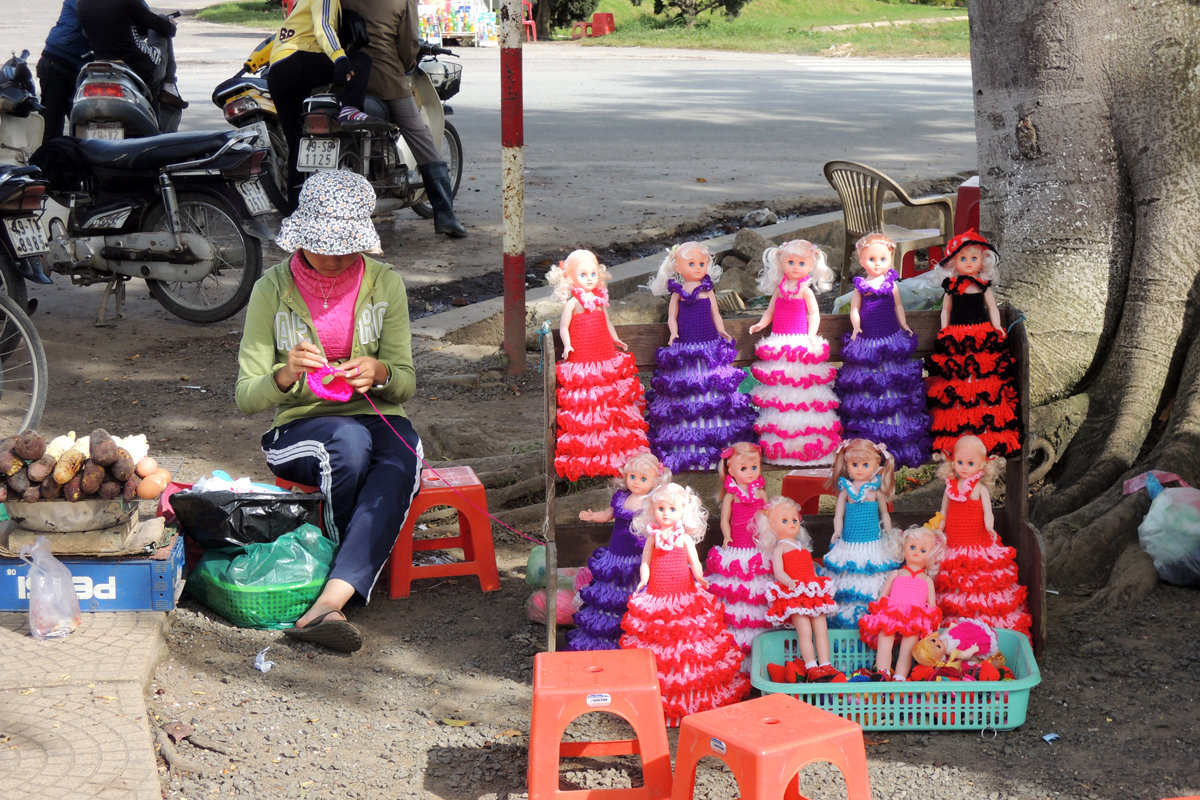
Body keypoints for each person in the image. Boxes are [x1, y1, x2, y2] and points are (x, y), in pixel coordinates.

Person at [235, 169, 422, 653]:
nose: (336, 258)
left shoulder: (385, 284)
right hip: (298, 427)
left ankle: (328, 601)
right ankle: (335, 575)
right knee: (348, 443)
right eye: (325, 246)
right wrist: (284, 374)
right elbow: (246, 395)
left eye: (346, 247)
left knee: (402, 458)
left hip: (379, 415)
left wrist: (380, 372)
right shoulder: (270, 290)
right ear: (302, 238)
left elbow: (406, 380)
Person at [618, 482, 749, 726]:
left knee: (688, 642)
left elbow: (695, 562)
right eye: (660, 508)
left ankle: (692, 697)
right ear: (652, 510)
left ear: (683, 512)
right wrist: (643, 581)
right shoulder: (653, 537)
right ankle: (661, 702)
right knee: (661, 640)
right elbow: (645, 562)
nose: (665, 513)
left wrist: (700, 576)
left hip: (684, 595)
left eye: (672, 509)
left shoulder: (685, 538)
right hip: (657, 595)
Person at [339, 0, 466, 238]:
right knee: (420, 136)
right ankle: (445, 215)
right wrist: (409, 63)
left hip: (344, 77)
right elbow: (408, 45)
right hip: (385, 77)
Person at [644, 241, 755, 472]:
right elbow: (671, 316)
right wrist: (673, 332)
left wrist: (721, 330)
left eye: (701, 263)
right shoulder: (678, 291)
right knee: (688, 390)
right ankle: (688, 448)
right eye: (691, 263)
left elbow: (715, 312)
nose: (697, 267)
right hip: (685, 347)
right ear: (677, 266)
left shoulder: (707, 289)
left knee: (712, 388)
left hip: (709, 346)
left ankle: (717, 444)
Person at [261, 0, 378, 212]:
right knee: (361, 60)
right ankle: (350, 109)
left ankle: (295, 213)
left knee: (297, 146)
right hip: (297, 62)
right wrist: (339, 58)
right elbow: (323, 26)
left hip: (277, 74)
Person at [547, 249, 649, 480]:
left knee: (610, 401)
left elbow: (608, 323)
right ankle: (591, 451)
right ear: (570, 278)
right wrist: (567, 345)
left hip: (605, 358)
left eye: (593, 273)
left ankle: (613, 450)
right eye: (583, 274)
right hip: (583, 360)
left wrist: (615, 338)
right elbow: (564, 327)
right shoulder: (573, 304)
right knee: (589, 403)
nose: (590, 278)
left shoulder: (601, 301)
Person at [833, 232, 932, 467]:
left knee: (892, 382)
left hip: (890, 339)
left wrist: (904, 324)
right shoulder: (861, 285)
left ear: (890, 259)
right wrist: (856, 327)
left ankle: (893, 433)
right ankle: (869, 440)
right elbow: (855, 309)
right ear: (861, 260)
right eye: (871, 259)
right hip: (867, 341)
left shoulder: (891, 284)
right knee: (869, 383)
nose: (877, 264)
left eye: (882, 259)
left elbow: (898, 306)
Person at [925, 229, 1021, 457]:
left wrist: (996, 327)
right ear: (953, 262)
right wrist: (944, 330)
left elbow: (992, 308)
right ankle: (961, 428)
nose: (968, 263)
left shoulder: (982, 286)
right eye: (963, 259)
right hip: (957, 336)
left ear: (983, 262)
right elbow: (945, 310)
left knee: (982, 380)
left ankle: (983, 427)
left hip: (981, 334)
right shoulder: (952, 287)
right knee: (960, 382)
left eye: (973, 258)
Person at [748, 239, 841, 465]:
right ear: (782, 263)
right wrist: (761, 324)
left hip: (799, 341)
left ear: (811, 265)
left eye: (801, 262)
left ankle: (806, 444)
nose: (796, 267)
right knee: (781, 391)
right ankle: (783, 446)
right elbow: (769, 312)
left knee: (801, 389)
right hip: (779, 341)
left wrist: (811, 335)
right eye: (791, 262)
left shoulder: (805, 290)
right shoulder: (780, 290)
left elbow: (815, 315)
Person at [566, 450, 670, 651]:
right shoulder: (621, 497)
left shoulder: (654, 501)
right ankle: (611, 634)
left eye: (643, 478)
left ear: (656, 480)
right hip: (616, 556)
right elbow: (607, 515)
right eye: (632, 477)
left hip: (640, 557)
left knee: (637, 590)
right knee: (612, 594)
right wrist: (592, 515)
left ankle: (638, 633)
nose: (636, 482)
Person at [934, 434, 1031, 639]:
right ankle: (954, 628)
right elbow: (943, 512)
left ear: (982, 466)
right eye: (960, 462)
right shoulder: (950, 488)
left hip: (978, 543)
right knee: (953, 585)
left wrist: (989, 527)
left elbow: (988, 512)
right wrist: (938, 527)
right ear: (952, 462)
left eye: (970, 463)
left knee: (978, 583)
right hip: (953, 544)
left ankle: (981, 623)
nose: (964, 467)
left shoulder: (979, 489)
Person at [759, 496, 844, 683]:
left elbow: (809, 567)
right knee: (804, 630)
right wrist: (788, 581)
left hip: (812, 591)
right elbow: (778, 570)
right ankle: (811, 666)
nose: (791, 523)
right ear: (771, 526)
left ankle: (826, 664)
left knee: (821, 628)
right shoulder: (780, 548)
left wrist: (815, 578)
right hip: (795, 592)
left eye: (794, 520)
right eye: (784, 520)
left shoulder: (801, 546)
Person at [703, 441, 773, 663]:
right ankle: (737, 637)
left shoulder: (760, 493)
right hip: (736, 548)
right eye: (744, 469)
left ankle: (760, 641)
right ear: (730, 471)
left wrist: (769, 535)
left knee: (757, 589)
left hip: (757, 547)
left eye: (754, 468)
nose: (750, 473)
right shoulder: (731, 495)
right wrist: (726, 536)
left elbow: (768, 516)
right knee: (736, 589)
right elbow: (725, 520)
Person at [821, 438, 902, 629]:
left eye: (865, 465)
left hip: (872, 544)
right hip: (849, 543)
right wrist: (837, 531)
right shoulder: (845, 491)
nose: (859, 469)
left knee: (871, 576)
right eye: (854, 464)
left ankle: (871, 614)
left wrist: (889, 532)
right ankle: (848, 616)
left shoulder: (875, 492)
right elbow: (838, 515)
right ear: (847, 465)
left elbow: (884, 515)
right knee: (848, 576)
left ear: (876, 466)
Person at [856, 521, 944, 681]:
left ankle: (900, 677)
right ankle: (882, 673)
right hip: (892, 613)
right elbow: (883, 596)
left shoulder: (927, 580)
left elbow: (932, 606)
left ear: (930, 556)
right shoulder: (896, 573)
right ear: (903, 549)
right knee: (885, 642)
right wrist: (877, 613)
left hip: (914, 618)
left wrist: (933, 624)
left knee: (907, 648)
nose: (916, 552)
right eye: (912, 547)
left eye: (923, 550)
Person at [75, 0, 184, 109]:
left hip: (102, 61)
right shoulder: (127, 2)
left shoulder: (81, 4)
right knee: (163, 20)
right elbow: (159, 25)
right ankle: (169, 85)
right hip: (138, 64)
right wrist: (171, 25)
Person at [37, 0, 92, 143]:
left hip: (83, 67)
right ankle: (48, 161)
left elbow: (140, 12)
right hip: (58, 60)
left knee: (83, 125)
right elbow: (91, 12)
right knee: (52, 126)